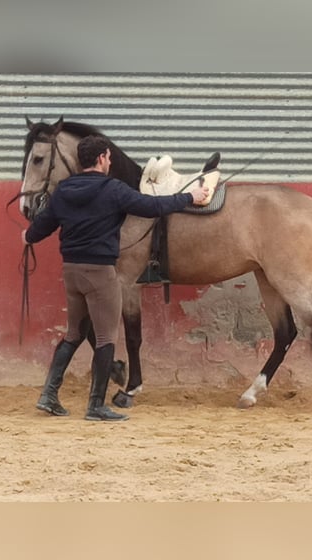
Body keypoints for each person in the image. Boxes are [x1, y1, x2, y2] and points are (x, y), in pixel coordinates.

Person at [22, 135, 211, 422]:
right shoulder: (113, 190)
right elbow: (153, 207)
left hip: (72, 273)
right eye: (108, 158)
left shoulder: (63, 191)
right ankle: (96, 405)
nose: (110, 162)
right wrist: (189, 197)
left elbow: (41, 227)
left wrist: (27, 236)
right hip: (100, 274)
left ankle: (49, 394)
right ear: (101, 159)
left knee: (74, 333)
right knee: (105, 337)